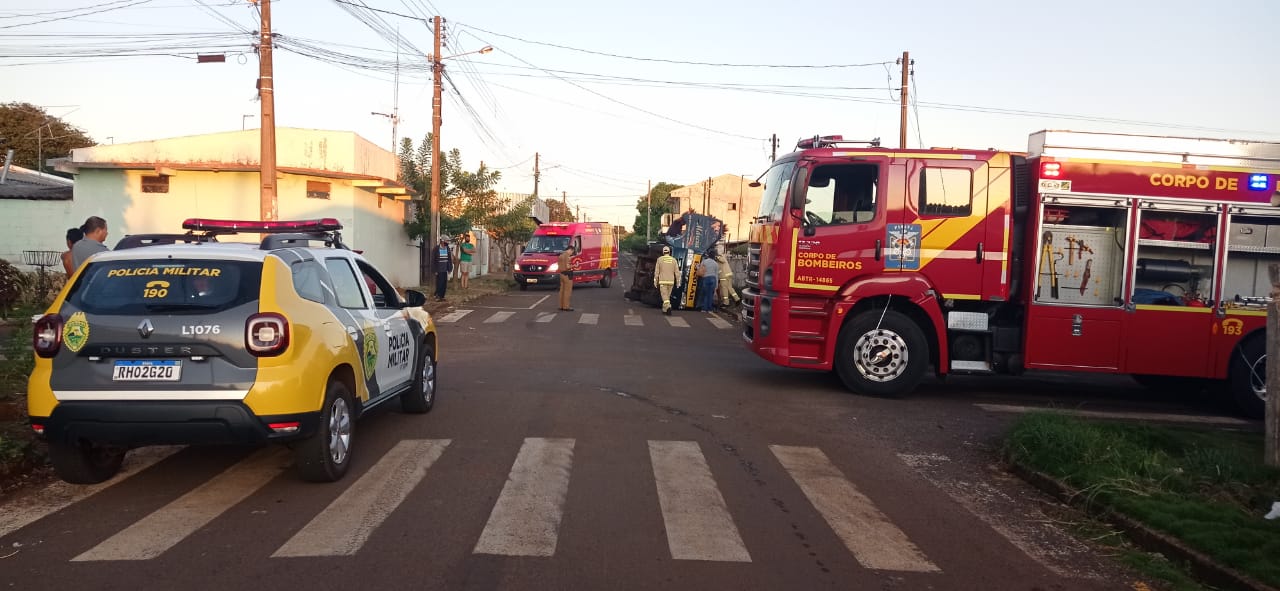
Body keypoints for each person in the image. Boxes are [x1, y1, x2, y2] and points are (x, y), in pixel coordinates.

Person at [653, 245, 679, 315]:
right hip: (671, 281)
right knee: (667, 296)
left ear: (663, 252)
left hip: (663, 281)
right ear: (669, 252)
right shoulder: (674, 260)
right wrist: (678, 282)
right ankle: (664, 310)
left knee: (664, 296)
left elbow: (656, 271)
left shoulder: (660, 259)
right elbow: (677, 272)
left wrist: (655, 280)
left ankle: (668, 307)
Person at [557, 243, 576, 311]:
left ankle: (561, 306)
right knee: (567, 291)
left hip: (561, 274)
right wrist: (574, 266)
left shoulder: (561, 255)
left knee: (562, 291)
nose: (572, 253)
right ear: (570, 250)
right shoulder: (567, 256)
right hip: (567, 275)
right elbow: (567, 267)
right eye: (572, 252)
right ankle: (566, 306)